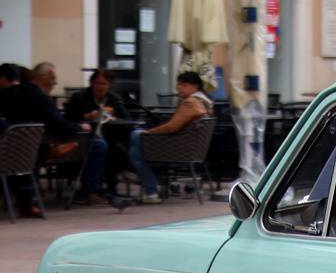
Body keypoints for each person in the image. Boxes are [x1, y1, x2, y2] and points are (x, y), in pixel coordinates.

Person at [3, 63, 110, 211]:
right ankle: (89, 190)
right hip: (34, 147)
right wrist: (80, 127)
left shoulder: (10, 93)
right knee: (97, 145)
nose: (55, 82)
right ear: (42, 78)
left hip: (12, 146)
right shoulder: (40, 97)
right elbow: (59, 125)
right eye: (52, 78)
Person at [121, 71, 216, 206]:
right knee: (136, 147)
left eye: (183, 84)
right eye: (178, 84)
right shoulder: (206, 102)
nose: (179, 87)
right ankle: (148, 185)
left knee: (135, 139)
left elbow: (173, 126)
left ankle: (150, 190)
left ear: (195, 86)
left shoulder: (190, 102)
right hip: (192, 148)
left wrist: (149, 132)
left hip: (178, 148)